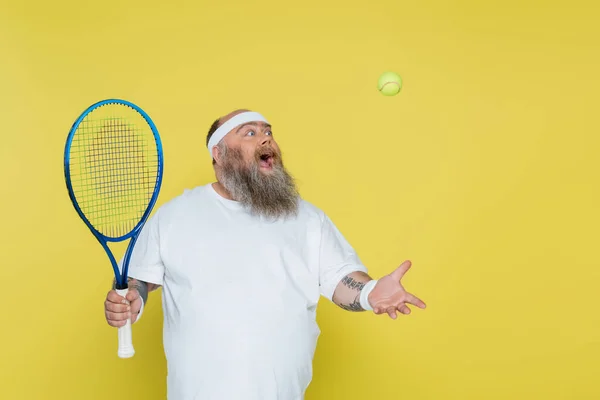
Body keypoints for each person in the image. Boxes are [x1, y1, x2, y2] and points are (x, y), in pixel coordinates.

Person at [103, 109, 426, 400]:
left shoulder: (307, 219)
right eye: (250, 132)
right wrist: (134, 297)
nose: (266, 138)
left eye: (268, 131)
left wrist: (370, 293)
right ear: (218, 153)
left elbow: (339, 279)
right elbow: (141, 279)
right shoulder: (174, 216)